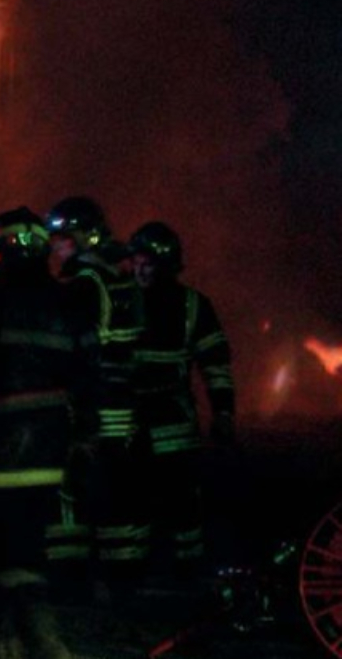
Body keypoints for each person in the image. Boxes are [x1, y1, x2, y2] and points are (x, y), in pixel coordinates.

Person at [0, 207, 100, 659]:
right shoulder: (69, 304)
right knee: (20, 553)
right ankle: (3, 645)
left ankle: (43, 645)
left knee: (7, 559)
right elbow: (89, 378)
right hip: (47, 458)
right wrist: (85, 441)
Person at [45, 195, 149, 597]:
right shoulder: (118, 277)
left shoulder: (84, 284)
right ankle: (124, 580)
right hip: (123, 403)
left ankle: (69, 580)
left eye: (63, 239)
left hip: (92, 404)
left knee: (71, 490)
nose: (56, 247)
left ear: (84, 238)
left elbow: (74, 348)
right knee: (117, 494)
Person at [128, 221, 235, 576]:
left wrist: (223, 413)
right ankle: (134, 571)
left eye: (149, 263)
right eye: (137, 261)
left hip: (172, 416)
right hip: (127, 415)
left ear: (168, 265)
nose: (141, 269)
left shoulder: (192, 305)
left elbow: (215, 365)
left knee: (181, 498)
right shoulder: (120, 299)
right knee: (131, 495)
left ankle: (188, 569)